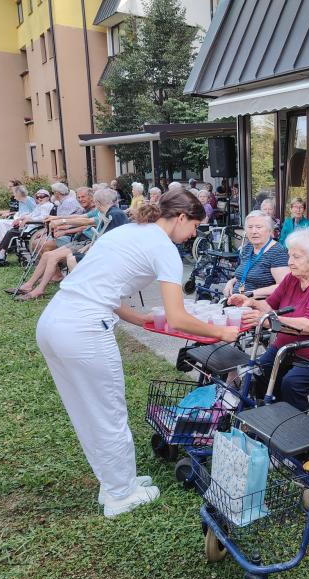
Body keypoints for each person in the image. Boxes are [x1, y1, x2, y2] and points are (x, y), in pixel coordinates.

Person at [36, 189, 238, 518]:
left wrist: (137, 318)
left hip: (55, 320)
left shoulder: (126, 231)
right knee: (108, 413)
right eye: (195, 227)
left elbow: (97, 284)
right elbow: (177, 316)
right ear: (182, 218)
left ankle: (116, 481)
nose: (193, 236)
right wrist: (222, 332)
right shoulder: (164, 248)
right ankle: (121, 495)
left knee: (86, 413)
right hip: (84, 329)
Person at [228, 227, 309, 412]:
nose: (289, 262)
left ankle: (294, 429)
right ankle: (271, 414)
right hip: (291, 342)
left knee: (292, 382)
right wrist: (251, 302)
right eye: (290, 256)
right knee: (260, 369)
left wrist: (268, 321)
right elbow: (270, 306)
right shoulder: (293, 277)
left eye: (296, 257)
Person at [11, 188, 129, 300]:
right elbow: (82, 218)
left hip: (88, 243)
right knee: (47, 255)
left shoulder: (111, 213)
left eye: (94, 200)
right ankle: (29, 285)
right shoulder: (104, 211)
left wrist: (62, 222)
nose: (94, 203)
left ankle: (39, 289)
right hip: (85, 241)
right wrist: (57, 218)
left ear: (98, 201)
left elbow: (86, 221)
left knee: (52, 256)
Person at [222, 211, 289, 298]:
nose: (254, 231)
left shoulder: (277, 252)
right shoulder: (248, 248)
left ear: (269, 230)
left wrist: (251, 294)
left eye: (258, 227)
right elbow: (245, 274)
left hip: (259, 306)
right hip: (237, 303)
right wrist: (230, 283)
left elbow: (283, 286)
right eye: (250, 227)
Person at [0, 189, 54, 263]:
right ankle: (0, 252)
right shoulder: (41, 205)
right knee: (11, 231)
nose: (39, 198)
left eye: (42, 196)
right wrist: (21, 218)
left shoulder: (47, 206)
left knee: (11, 233)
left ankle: (1, 253)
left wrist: (28, 220)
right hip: (31, 226)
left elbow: (43, 218)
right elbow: (32, 214)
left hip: (36, 227)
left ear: (47, 197)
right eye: (37, 197)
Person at [0, 180, 34, 248]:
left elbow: (34, 212)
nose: (14, 196)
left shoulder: (29, 200)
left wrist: (23, 217)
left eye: (14, 194)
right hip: (17, 220)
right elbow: (19, 212)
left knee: (0, 223)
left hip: (25, 223)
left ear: (18, 194)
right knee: (0, 222)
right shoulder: (21, 201)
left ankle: (1, 244)